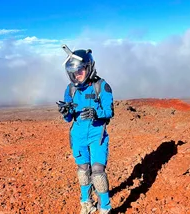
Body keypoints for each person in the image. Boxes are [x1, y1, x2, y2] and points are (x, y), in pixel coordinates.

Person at [57, 45, 114, 214]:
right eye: (74, 72)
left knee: (98, 171)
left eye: (80, 70)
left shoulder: (101, 86)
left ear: (88, 68)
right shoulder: (71, 89)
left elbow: (110, 112)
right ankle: (86, 203)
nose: (77, 75)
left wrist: (97, 113)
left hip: (97, 135)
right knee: (83, 171)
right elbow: (69, 118)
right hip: (78, 136)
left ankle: (105, 207)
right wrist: (65, 112)